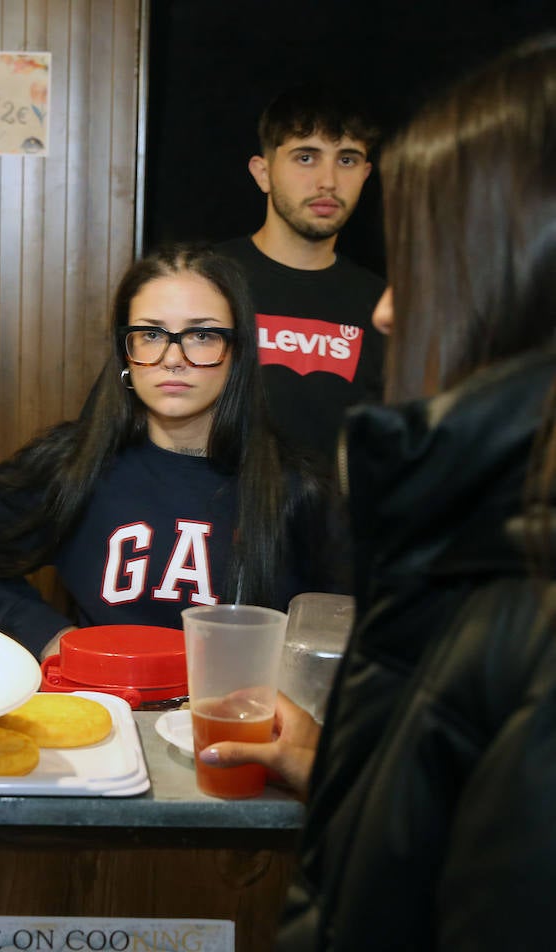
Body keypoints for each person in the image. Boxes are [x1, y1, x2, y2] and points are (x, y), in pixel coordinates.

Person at [202, 34, 556, 949]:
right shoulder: (467, 565)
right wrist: (337, 766)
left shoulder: (514, 600)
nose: (393, 310)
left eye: (432, 258)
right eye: (306, 154)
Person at [0, 244, 341, 659]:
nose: (173, 359)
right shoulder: (75, 463)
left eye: (202, 335)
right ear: (127, 352)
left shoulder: (297, 485)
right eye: (151, 335)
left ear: (237, 353)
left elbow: (345, 625)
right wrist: (49, 636)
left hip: (231, 721)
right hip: (103, 715)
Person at [215, 82, 387, 467]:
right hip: (216, 519)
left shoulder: (384, 306)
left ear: (365, 173)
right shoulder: (204, 282)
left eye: (347, 160)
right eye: (306, 157)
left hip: (333, 524)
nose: (328, 181)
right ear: (263, 173)